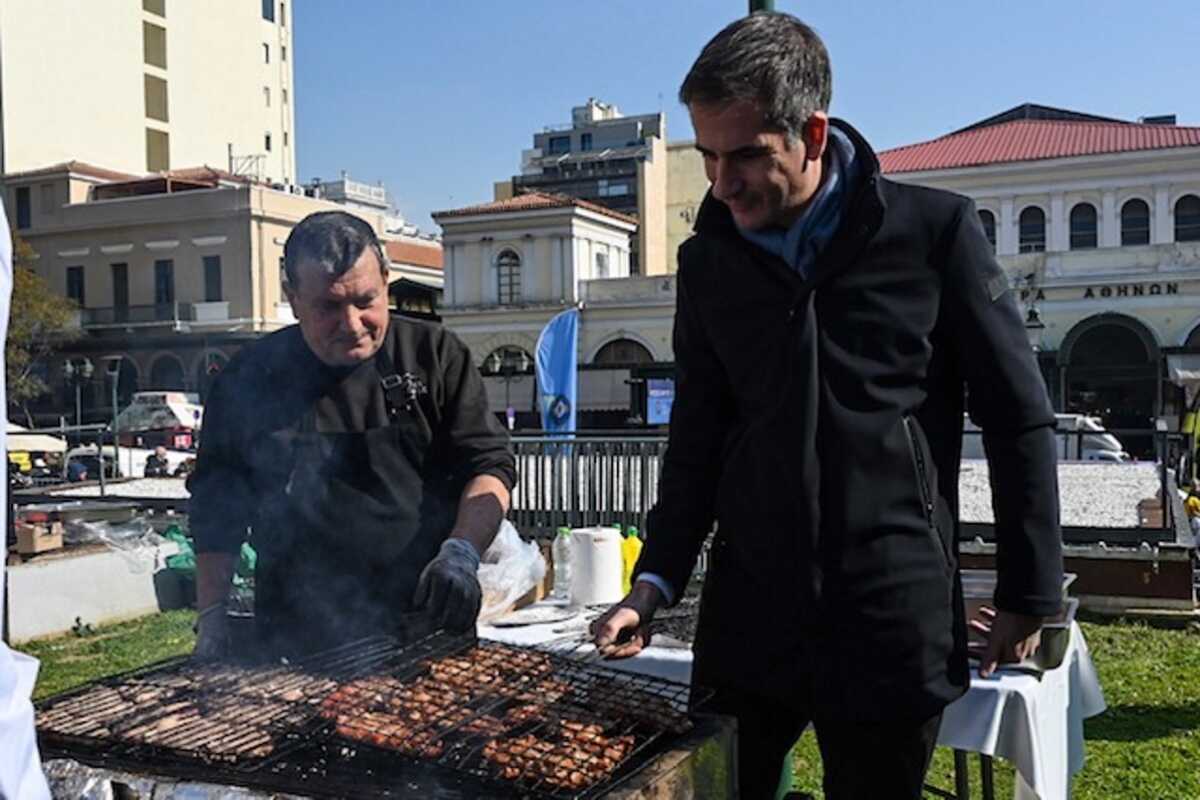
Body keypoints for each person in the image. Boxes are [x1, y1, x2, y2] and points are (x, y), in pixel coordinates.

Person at [591, 13, 1063, 799]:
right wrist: (658, 580)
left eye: (744, 155)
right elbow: (698, 434)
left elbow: (1019, 415)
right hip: (749, 613)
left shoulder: (934, 233)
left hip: (889, 611)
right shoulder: (707, 261)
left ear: (811, 134)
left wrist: (1030, 592)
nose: (720, 181)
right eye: (707, 155)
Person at [188, 211, 515, 659]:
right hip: (294, 632)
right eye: (328, 306)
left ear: (386, 279)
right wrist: (212, 615)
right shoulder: (250, 376)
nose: (353, 323)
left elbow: (488, 465)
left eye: (366, 300)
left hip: (426, 623)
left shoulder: (435, 356)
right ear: (293, 298)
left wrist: (461, 552)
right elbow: (217, 504)